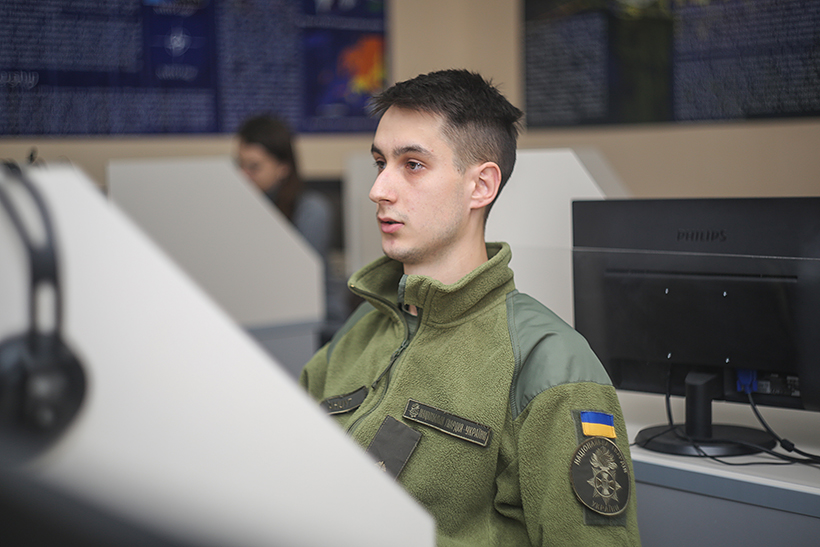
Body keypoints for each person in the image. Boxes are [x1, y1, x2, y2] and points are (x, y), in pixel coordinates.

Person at [299, 69, 641, 546]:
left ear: (481, 186)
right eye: (380, 163)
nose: (379, 189)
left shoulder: (548, 362)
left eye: (412, 164)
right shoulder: (366, 325)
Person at [236, 114, 348, 339]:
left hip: (319, 325)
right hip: (273, 320)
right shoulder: (242, 209)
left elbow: (293, 282)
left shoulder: (311, 210)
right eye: (240, 166)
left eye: (254, 167)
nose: (243, 176)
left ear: (282, 168)